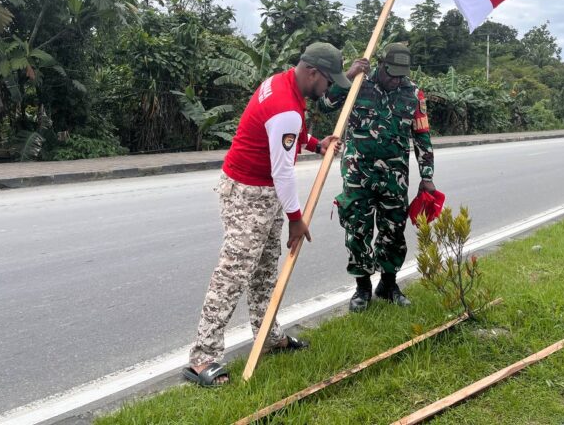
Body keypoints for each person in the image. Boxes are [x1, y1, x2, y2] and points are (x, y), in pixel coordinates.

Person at [183, 42, 364, 387]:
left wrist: (315, 143)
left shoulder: (283, 84)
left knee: (265, 272)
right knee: (232, 275)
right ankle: (201, 357)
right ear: (313, 73)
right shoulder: (285, 106)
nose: (328, 88)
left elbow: (284, 137)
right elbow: (283, 172)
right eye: (328, 81)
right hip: (250, 193)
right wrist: (296, 219)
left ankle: (268, 336)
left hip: (261, 192)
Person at [321, 43, 435, 313]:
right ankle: (362, 289)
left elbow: (422, 136)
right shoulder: (359, 84)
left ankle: (388, 285)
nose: (396, 80)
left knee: (393, 232)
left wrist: (427, 176)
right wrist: (348, 76)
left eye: (400, 75)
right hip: (358, 174)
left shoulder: (413, 93)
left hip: (394, 178)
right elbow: (325, 105)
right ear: (381, 65)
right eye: (391, 73)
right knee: (357, 231)